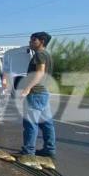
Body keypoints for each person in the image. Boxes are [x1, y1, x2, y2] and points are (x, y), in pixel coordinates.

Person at [19, 32, 56, 169]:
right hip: (44, 92)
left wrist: (28, 88)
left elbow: (40, 73)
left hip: (36, 92)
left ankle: (29, 153)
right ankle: (49, 150)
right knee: (47, 123)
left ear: (41, 41)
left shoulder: (39, 54)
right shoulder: (47, 54)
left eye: (33, 40)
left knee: (30, 123)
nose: (30, 41)